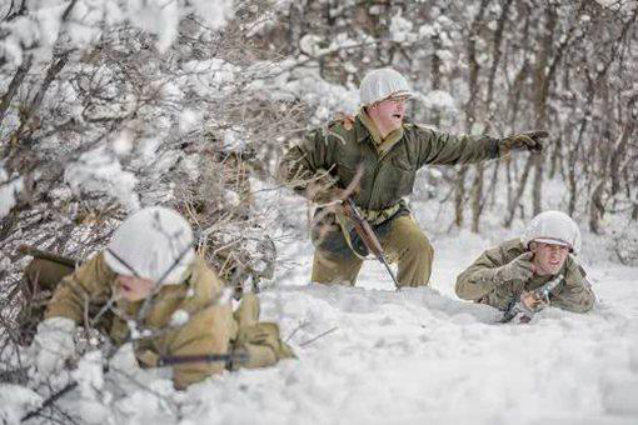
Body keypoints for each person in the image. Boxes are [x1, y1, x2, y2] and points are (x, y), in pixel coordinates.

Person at [279, 67, 547, 287]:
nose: (401, 107)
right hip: (340, 222)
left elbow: (461, 147)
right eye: (394, 100)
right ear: (373, 104)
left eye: (404, 100)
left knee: (419, 248)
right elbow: (288, 167)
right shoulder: (337, 136)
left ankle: (412, 312)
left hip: (389, 216)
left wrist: (506, 145)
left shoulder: (415, 140)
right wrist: (325, 190)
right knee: (328, 297)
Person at [24, 207, 293, 390]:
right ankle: (28, 356)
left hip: (170, 344)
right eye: (116, 269)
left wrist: (134, 374)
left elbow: (193, 395)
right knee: (43, 271)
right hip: (124, 313)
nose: (118, 278)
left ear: (163, 277)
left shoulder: (202, 318)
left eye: (128, 274)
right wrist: (55, 331)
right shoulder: (128, 256)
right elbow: (75, 289)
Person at [455, 210, 595, 318]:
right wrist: (503, 274)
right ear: (534, 246)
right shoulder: (507, 254)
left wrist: (543, 306)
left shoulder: (569, 269)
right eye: (548, 246)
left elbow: (585, 304)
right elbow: (461, 288)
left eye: (563, 248)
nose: (556, 254)